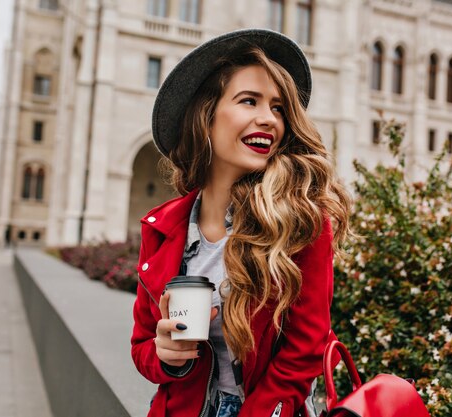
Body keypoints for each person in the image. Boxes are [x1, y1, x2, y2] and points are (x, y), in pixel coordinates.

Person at [131, 29, 351, 417]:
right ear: (206, 117)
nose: (268, 119)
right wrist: (166, 355)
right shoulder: (162, 227)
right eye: (249, 101)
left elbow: (305, 354)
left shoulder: (301, 218)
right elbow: (143, 347)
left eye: (279, 108)